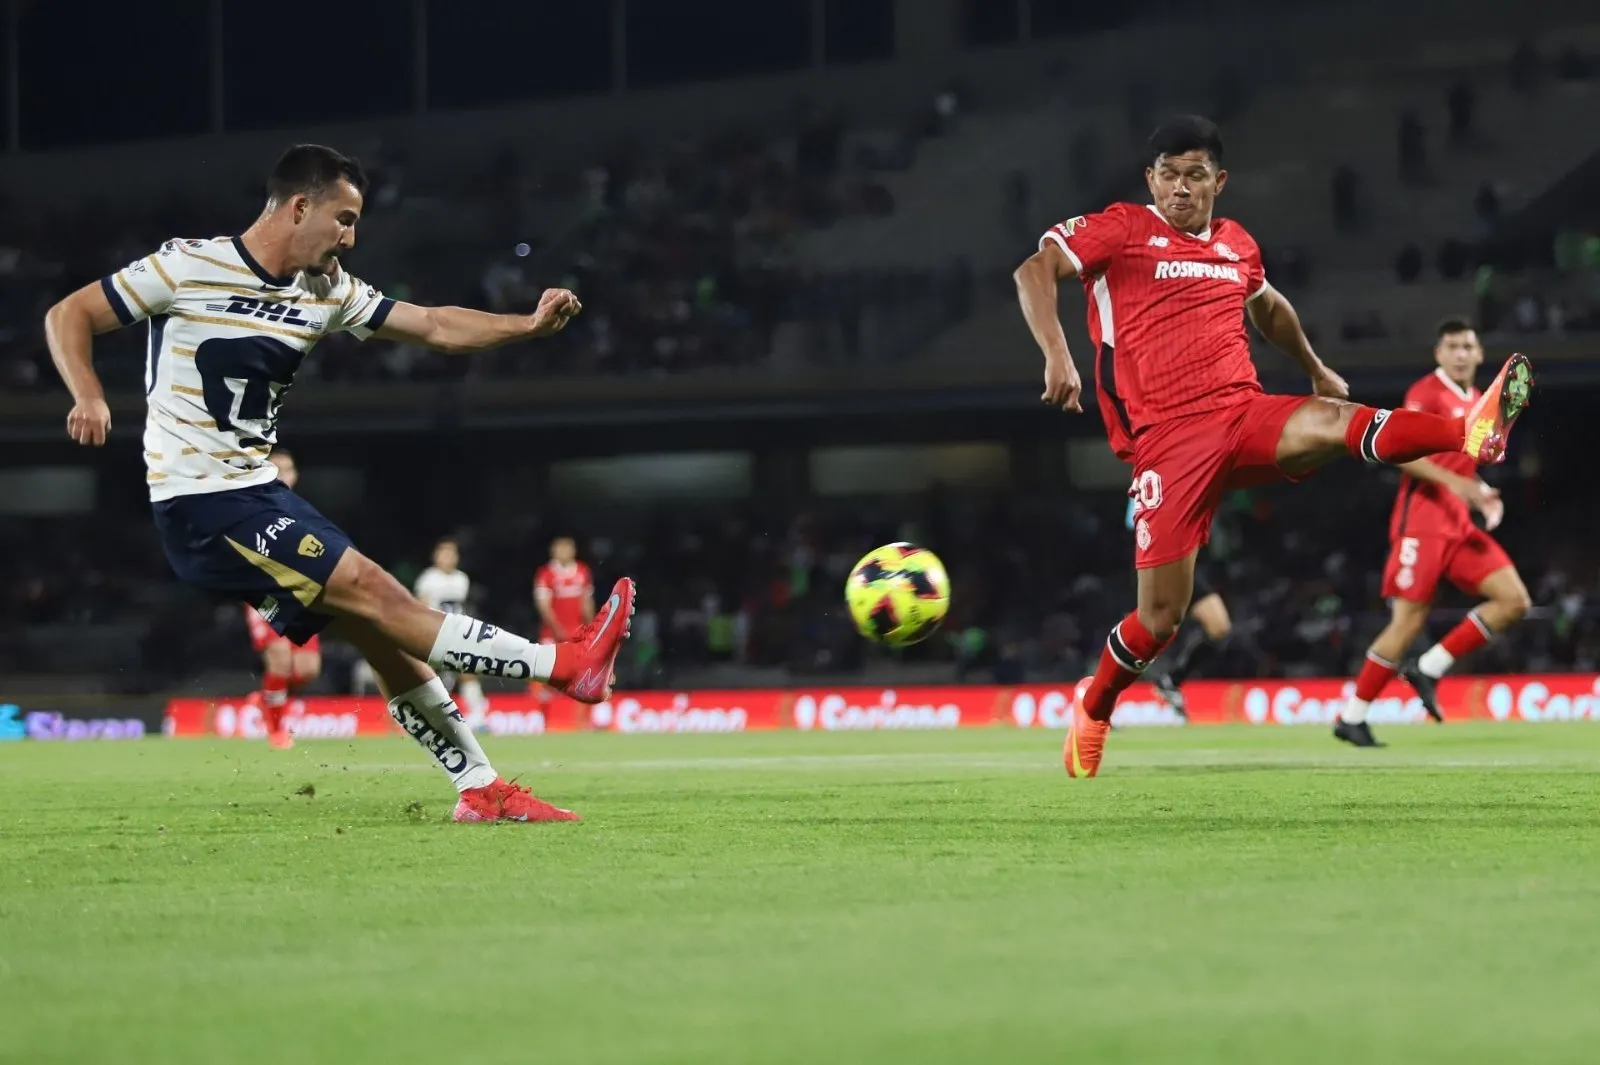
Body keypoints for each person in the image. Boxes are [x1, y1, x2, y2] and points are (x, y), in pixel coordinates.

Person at [44, 144, 635, 822]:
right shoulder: (186, 265)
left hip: (258, 493)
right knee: (378, 591)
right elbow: (70, 314)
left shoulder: (325, 290)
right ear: (299, 206)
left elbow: (435, 324)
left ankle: (481, 787)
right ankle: (563, 664)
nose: (351, 238)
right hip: (201, 503)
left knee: (381, 634)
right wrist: (87, 394)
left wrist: (525, 326)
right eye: (344, 219)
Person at [1012, 115, 1533, 778]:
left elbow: (1268, 306)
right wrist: (1057, 355)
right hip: (1167, 442)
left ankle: (1472, 432)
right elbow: (1034, 270)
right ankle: (1095, 703)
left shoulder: (1236, 244)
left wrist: (1315, 367)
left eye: (1194, 175)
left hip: (1243, 413)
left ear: (1218, 182)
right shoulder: (1120, 228)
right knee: (1160, 619)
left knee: (1341, 421)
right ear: (1150, 179)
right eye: (1167, 174)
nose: (1179, 188)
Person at [1335, 319, 1534, 747]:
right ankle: (1352, 717)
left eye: (1467, 346)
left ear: (1480, 354)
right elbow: (1399, 452)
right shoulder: (1425, 393)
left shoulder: (1481, 400)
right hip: (1421, 523)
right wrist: (1459, 485)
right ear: (1438, 354)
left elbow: (1465, 465)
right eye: (1452, 346)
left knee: (1514, 600)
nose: (1461, 353)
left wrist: (1480, 493)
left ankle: (1428, 668)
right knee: (1408, 621)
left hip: (1458, 525)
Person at [241, 449, 320, 749]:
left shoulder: (301, 511)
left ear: (295, 475)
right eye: (276, 469)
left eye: (287, 469)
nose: (282, 474)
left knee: (309, 668)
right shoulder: (252, 505)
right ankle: (276, 729)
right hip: (263, 592)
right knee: (280, 659)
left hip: (298, 594)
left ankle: (269, 698)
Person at [1124, 497, 1230, 720]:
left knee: (1219, 626)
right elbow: (1136, 523)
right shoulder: (1150, 475)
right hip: (1157, 561)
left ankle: (1172, 680)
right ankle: (1099, 700)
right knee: (1144, 638)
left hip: (1187, 562)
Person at [414, 536, 490, 731]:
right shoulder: (428, 578)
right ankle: (420, 716)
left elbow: (463, 609)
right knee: (427, 675)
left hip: (458, 634)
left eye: (452, 553)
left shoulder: (461, 579)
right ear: (436, 556)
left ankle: (478, 717)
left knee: (468, 673)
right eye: (444, 552)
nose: (448, 557)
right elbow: (421, 606)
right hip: (434, 634)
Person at [534, 536, 596, 644]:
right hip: (552, 636)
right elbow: (544, 607)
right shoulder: (545, 574)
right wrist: (559, 631)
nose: (564, 550)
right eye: (560, 546)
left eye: (567, 546)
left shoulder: (583, 571)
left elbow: (587, 603)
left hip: (578, 635)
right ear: (553, 550)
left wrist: (592, 629)